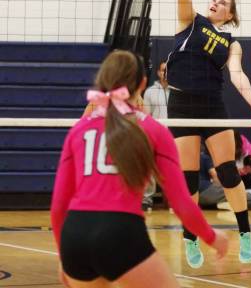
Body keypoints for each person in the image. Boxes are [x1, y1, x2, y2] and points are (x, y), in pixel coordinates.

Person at [51, 50, 228, 288]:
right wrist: (212, 237)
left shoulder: (78, 129)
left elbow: (58, 207)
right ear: (143, 83)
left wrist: (65, 255)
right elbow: (181, 203)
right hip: (120, 233)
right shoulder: (153, 130)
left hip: (75, 235)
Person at [166, 0, 251, 268]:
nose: (216, 3)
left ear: (231, 14)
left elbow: (236, 73)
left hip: (212, 105)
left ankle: (245, 234)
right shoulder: (191, 21)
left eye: (223, 2)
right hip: (181, 105)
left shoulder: (230, 41)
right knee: (188, 179)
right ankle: (190, 237)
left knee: (227, 172)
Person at [142, 61, 170, 210]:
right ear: (158, 73)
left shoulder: (178, 91)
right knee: (149, 167)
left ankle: (174, 200)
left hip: (175, 136)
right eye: (162, 70)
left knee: (176, 169)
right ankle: (146, 200)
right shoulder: (150, 92)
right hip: (155, 136)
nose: (165, 73)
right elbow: (146, 116)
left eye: (168, 70)